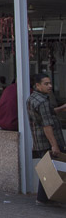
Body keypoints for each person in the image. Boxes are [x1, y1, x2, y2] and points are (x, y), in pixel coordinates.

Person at [27, 73, 66, 206]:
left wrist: (61, 108)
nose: (50, 86)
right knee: (52, 168)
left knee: (49, 169)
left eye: (50, 83)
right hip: (47, 140)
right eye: (46, 84)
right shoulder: (42, 101)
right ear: (37, 85)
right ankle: (44, 198)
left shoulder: (33, 98)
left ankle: (44, 198)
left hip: (40, 140)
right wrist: (54, 145)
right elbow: (47, 125)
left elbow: (47, 113)